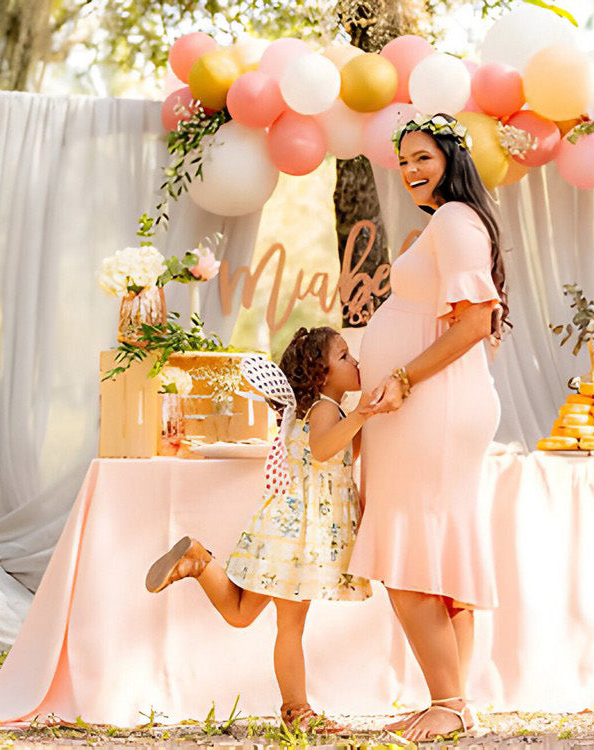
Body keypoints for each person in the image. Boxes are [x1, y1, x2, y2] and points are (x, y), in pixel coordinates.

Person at [350, 111, 510, 742]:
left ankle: (447, 700)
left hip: (430, 409)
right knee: (438, 553)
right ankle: (454, 703)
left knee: (412, 551)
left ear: (451, 157)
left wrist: (404, 379)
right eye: (405, 160)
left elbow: (474, 322)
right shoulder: (446, 223)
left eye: (423, 157)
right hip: (422, 408)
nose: (411, 170)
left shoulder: (454, 220)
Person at [144, 326, 372, 734]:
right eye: (344, 357)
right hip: (297, 534)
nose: (354, 362)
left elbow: (339, 453)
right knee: (290, 625)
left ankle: (199, 560)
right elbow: (322, 449)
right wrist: (363, 414)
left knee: (241, 614)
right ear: (320, 375)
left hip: (289, 529)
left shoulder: (324, 412)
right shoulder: (324, 410)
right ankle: (296, 710)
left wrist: (365, 425)